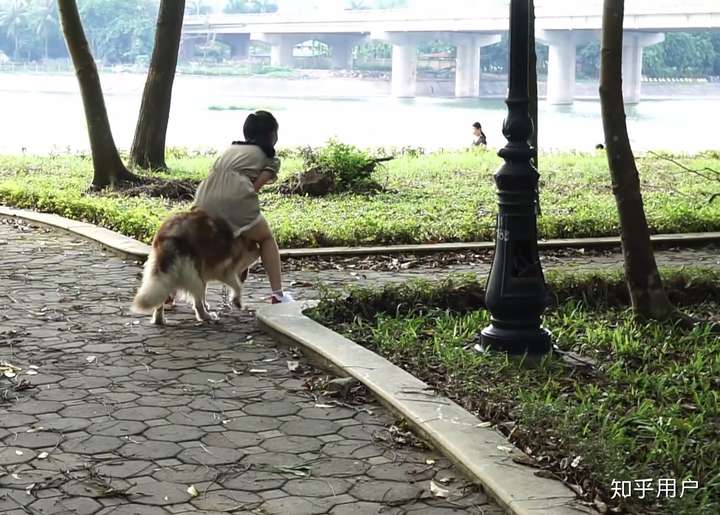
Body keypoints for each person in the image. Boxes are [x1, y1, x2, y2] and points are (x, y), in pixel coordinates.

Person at [194, 110, 294, 304]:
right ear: (272, 135)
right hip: (236, 198)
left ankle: (170, 294)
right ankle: (277, 295)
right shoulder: (270, 158)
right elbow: (254, 188)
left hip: (204, 195)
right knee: (265, 238)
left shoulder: (230, 149)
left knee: (198, 246)